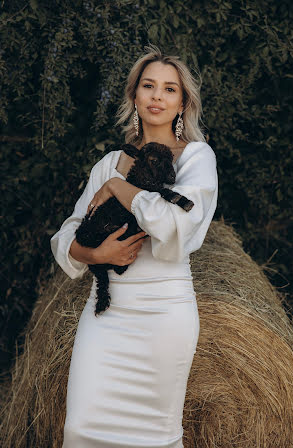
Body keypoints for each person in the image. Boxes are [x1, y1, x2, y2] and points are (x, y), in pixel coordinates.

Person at [50, 44, 218, 448]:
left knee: (155, 437)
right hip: (106, 314)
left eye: (169, 89)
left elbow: (175, 221)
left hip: (163, 314)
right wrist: (95, 255)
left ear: (182, 104)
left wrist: (119, 189)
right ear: (134, 97)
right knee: (79, 429)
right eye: (148, 86)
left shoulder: (196, 158)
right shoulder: (108, 164)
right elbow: (67, 233)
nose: (157, 96)